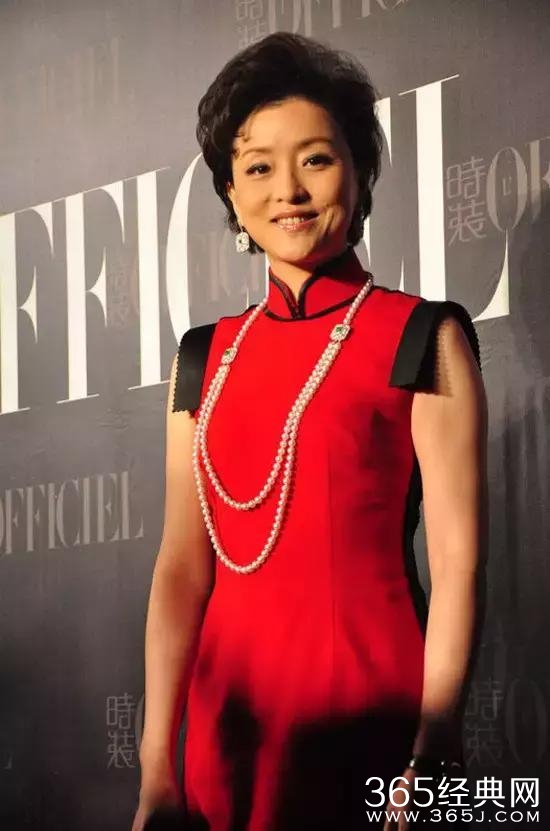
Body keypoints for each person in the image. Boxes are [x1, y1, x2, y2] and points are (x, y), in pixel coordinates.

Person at [132, 31, 488, 831]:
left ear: (359, 174)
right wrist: (157, 765)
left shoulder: (422, 337)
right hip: (229, 742)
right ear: (230, 191)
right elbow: (181, 570)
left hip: (375, 729)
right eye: (258, 167)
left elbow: (459, 564)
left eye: (316, 160)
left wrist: (436, 742)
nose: (288, 190)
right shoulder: (204, 358)